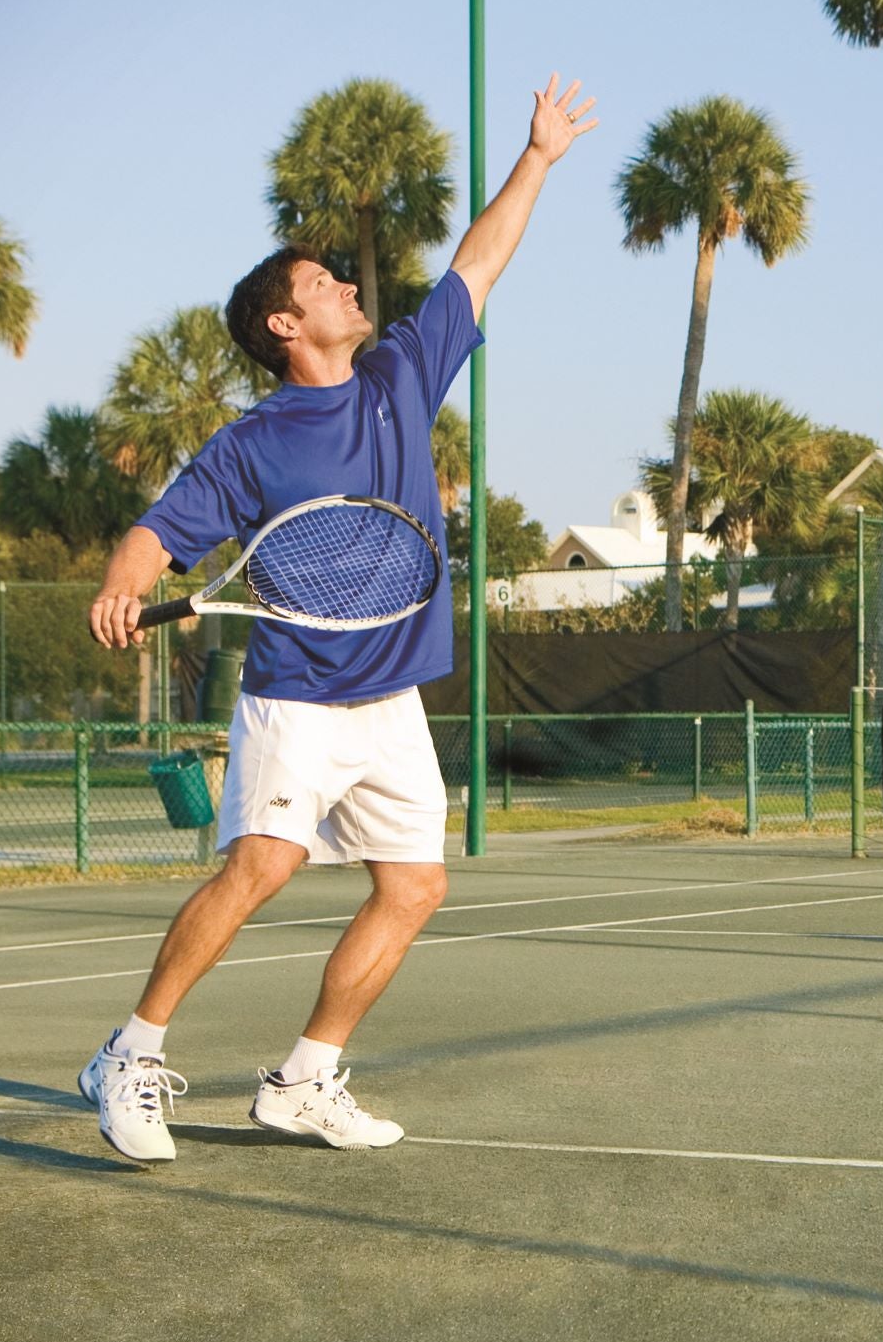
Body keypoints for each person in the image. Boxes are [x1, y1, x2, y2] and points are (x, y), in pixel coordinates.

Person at [74, 75, 598, 1163]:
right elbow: (156, 533)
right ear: (286, 322)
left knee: (414, 885)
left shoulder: (404, 370)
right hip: (297, 700)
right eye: (324, 282)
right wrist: (124, 582)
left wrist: (539, 156)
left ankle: (306, 1076)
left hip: (390, 696)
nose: (349, 286)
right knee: (263, 861)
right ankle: (127, 1053)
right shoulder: (250, 443)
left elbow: (481, 259)